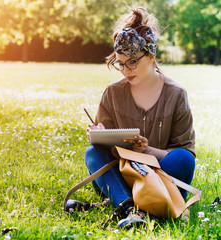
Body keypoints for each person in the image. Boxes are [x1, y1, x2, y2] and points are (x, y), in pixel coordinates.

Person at [84, 6, 196, 228]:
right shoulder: (112, 93)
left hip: (160, 175)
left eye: (132, 62)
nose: (126, 71)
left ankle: (132, 205)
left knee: (184, 159)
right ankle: (131, 209)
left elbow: (184, 152)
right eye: (120, 64)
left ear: (151, 56)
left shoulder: (176, 95)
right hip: (123, 174)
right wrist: (99, 135)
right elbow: (104, 150)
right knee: (92, 153)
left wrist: (147, 151)